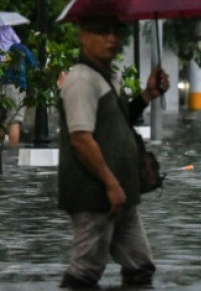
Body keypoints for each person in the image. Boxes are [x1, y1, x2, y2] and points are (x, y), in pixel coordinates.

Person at [58, 16, 169, 289]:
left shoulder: (106, 77)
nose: (112, 39)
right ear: (83, 36)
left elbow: (117, 123)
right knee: (85, 272)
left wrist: (147, 95)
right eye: (102, 31)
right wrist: (110, 183)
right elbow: (81, 139)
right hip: (96, 194)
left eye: (116, 31)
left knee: (140, 266)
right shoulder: (82, 80)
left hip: (120, 194)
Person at [1, 25, 37, 148]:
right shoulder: (18, 48)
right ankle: (11, 154)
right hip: (15, 86)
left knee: (1, 122)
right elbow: (34, 64)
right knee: (15, 120)